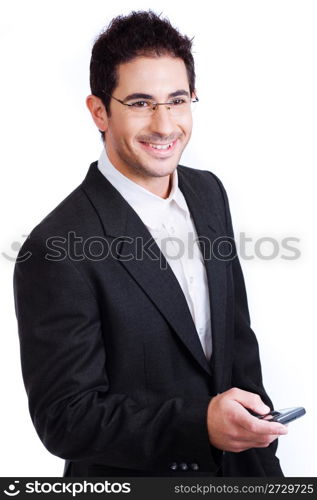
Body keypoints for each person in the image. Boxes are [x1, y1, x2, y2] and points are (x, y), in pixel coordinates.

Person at [13, 10, 287, 477]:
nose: (164, 125)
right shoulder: (57, 247)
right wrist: (199, 425)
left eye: (177, 100)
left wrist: (262, 462)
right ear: (99, 111)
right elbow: (65, 419)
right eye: (140, 103)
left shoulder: (208, 192)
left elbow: (237, 344)